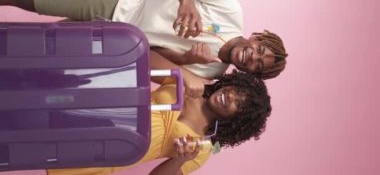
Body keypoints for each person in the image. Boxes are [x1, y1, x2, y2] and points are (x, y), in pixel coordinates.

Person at [0, 0, 287, 82]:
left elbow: (151, 59)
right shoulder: (230, 11)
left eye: (258, 66)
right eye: (260, 51)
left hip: (111, 40)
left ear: (251, 72)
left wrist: (184, 59)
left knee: (37, 43)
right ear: (257, 39)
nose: (254, 58)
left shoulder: (213, 70)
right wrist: (187, 2)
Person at [47, 65, 272, 175]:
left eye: (238, 105)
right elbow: (146, 61)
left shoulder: (202, 147)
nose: (231, 96)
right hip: (92, 112)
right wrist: (185, 73)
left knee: (30, 153)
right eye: (237, 91)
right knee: (26, 124)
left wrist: (179, 160)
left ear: (237, 120)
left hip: (102, 154)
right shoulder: (194, 82)